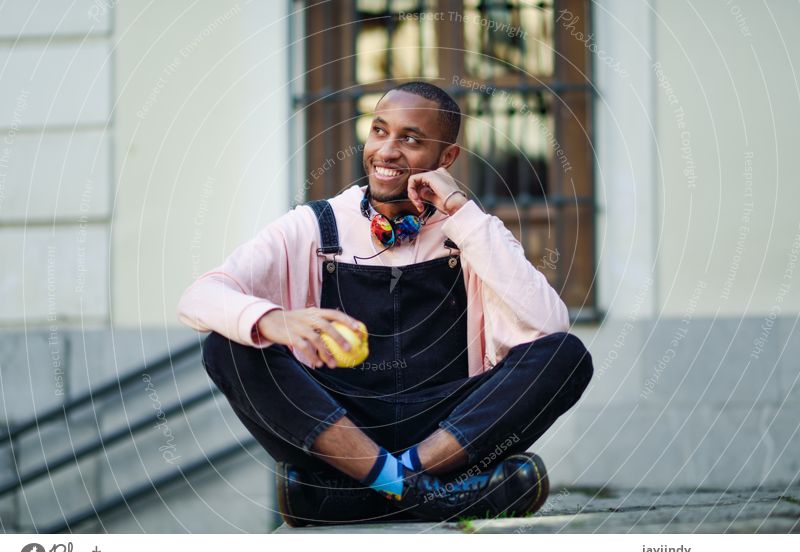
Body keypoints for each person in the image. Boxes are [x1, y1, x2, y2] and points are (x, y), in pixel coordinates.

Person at [178, 81, 593, 527]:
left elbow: (550, 325)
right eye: (379, 131)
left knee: (568, 358)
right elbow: (198, 297)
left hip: (446, 427)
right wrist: (273, 320)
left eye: (411, 139)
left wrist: (460, 209)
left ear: (447, 159)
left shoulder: (471, 231)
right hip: (339, 426)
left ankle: (364, 492)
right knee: (227, 346)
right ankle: (428, 494)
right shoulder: (316, 225)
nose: (387, 151)